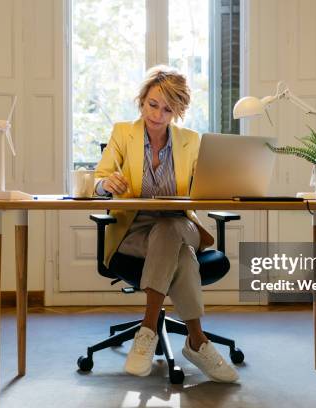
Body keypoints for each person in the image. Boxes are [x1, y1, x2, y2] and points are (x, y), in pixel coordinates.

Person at [93, 66, 239, 383]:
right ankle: (197, 342)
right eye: (152, 104)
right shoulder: (122, 133)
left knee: (171, 230)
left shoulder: (191, 141)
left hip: (179, 222)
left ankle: (146, 331)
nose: (158, 115)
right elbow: (98, 180)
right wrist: (108, 185)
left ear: (179, 110)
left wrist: (225, 186)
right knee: (183, 256)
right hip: (134, 230)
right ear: (142, 100)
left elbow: (207, 187)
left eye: (168, 108)